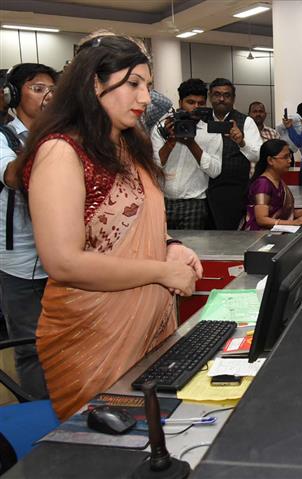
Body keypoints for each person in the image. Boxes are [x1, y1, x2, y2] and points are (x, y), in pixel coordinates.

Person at [17, 34, 201, 420]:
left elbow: (127, 222)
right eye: (133, 83)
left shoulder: (131, 144)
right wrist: (163, 271)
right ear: (94, 83)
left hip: (152, 328)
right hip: (93, 336)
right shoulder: (61, 151)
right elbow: (64, 262)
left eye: (148, 86)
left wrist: (171, 246)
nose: (146, 98)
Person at [0, 63, 57, 400]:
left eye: (52, 90)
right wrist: (43, 135)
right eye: (37, 88)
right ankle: (43, 421)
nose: (47, 96)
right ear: (12, 95)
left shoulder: (60, 135)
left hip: (61, 257)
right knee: (31, 347)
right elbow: (13, 177)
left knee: (64, 341)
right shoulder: (4, 137)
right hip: (19, 261)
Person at [151, 78, 222, 229]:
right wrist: (171, 141)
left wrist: (191, 143)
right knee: (162, 248)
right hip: (163, 200)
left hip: (194, 203)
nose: (196, 108)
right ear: (180, 102)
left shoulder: (211, 133)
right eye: (190, 102)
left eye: (201, 103)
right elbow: (154, 166)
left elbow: (215, 171)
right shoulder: (163, 128)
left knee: (193, 249)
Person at [206, 78, 262, 230]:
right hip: (202, 191)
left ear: (233, 98)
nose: (222, 99)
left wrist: (242, 142)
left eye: (227, 95)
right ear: (210, 96)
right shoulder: (201, 120)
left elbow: (258, 155)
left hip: (232, 192)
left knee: (227, 238)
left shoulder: (246, 122)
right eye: (217, 94)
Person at [241, 139, 302, 230]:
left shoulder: (278, 181)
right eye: (285, 157)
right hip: (261, 237)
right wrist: (293, 223)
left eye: (290, 156)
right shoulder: (263, 184)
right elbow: (262, 220)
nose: (289, 161)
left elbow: (285, 214)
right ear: (270, 160)